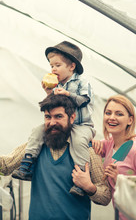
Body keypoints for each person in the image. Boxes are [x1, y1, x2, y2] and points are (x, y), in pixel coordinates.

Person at [0, 94, 111, 220]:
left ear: (72, 118)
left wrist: (89, 187)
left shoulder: (88, 152)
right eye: (48, 117)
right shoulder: (35, 147)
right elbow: (4, 164)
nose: (52, 122)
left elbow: (105, 197)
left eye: (58, 117)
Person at [12, 41, 95, 197]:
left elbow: (84, 100)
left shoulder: (82, 83)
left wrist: (68, 94)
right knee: (37, 131)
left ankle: (82, 180)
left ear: (72, 66)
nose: (53, 69)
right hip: (64, 125)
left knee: (78, 142)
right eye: (51, 66)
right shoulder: (57, 85)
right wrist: (50, 93)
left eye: (58, 65)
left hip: (81, 125)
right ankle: (27, 164)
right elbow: (56, 107)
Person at [88, 95, 136, 220]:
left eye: (119, 114)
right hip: (119, 214)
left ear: (130, 120)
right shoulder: (110, 143)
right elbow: (89, 146)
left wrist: (118, 180)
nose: (112, 117)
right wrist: (94, 142)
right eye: (108, 113)